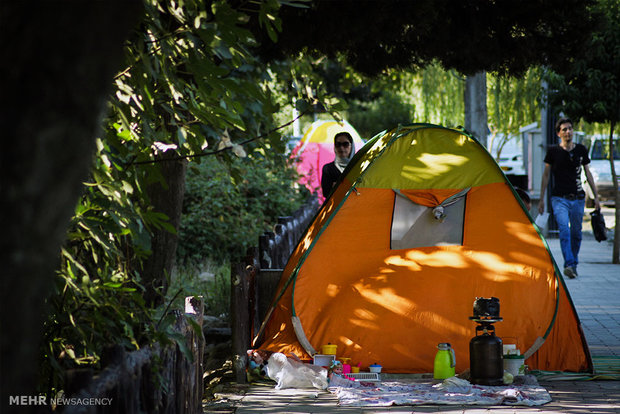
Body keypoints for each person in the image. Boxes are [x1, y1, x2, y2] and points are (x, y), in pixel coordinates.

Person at [538, 117, 600, 279]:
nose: (568, 132)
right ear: (559, 133)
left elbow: (588, 174)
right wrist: (541, 199)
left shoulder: (581, 150)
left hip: (578, 198)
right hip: (559, 199)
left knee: (576, 233)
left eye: (570, 129)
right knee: (564, 230)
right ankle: (569, 264)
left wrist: (596, 197)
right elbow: (545, 176)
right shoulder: (553, 152)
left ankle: (573, 263)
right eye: (564, 129)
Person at [321, 132, 355, 198]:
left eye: (345, 144)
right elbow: (326, 193)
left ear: (352, 146)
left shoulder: (358, 166)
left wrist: (338, 186)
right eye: (338, 144)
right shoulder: (328, 169)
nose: (341, 148)